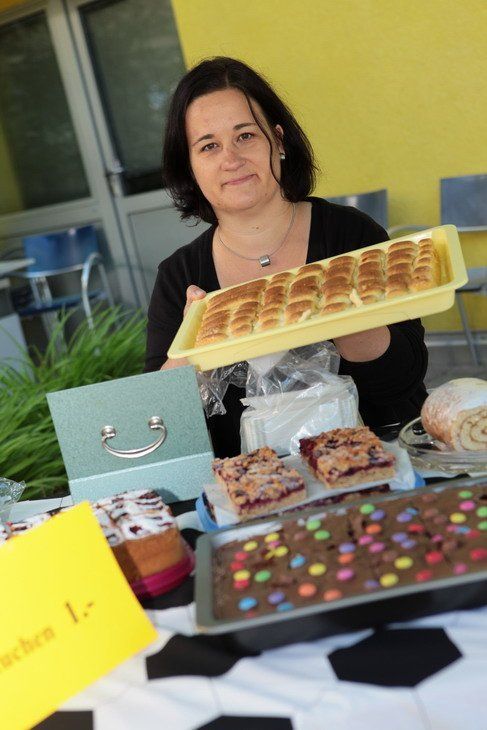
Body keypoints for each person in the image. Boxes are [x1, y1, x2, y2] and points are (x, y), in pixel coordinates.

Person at [145, 57, 428, 457]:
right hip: (254, 484)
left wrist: (347, 315)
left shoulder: (350, 235)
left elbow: (402, 381)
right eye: (208, 146)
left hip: (377, 466)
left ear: (278, 141)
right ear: (190, 168)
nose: (231, 159)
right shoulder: (179, 276)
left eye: (245, 136)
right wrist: (194, 352)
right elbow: (160, 421)